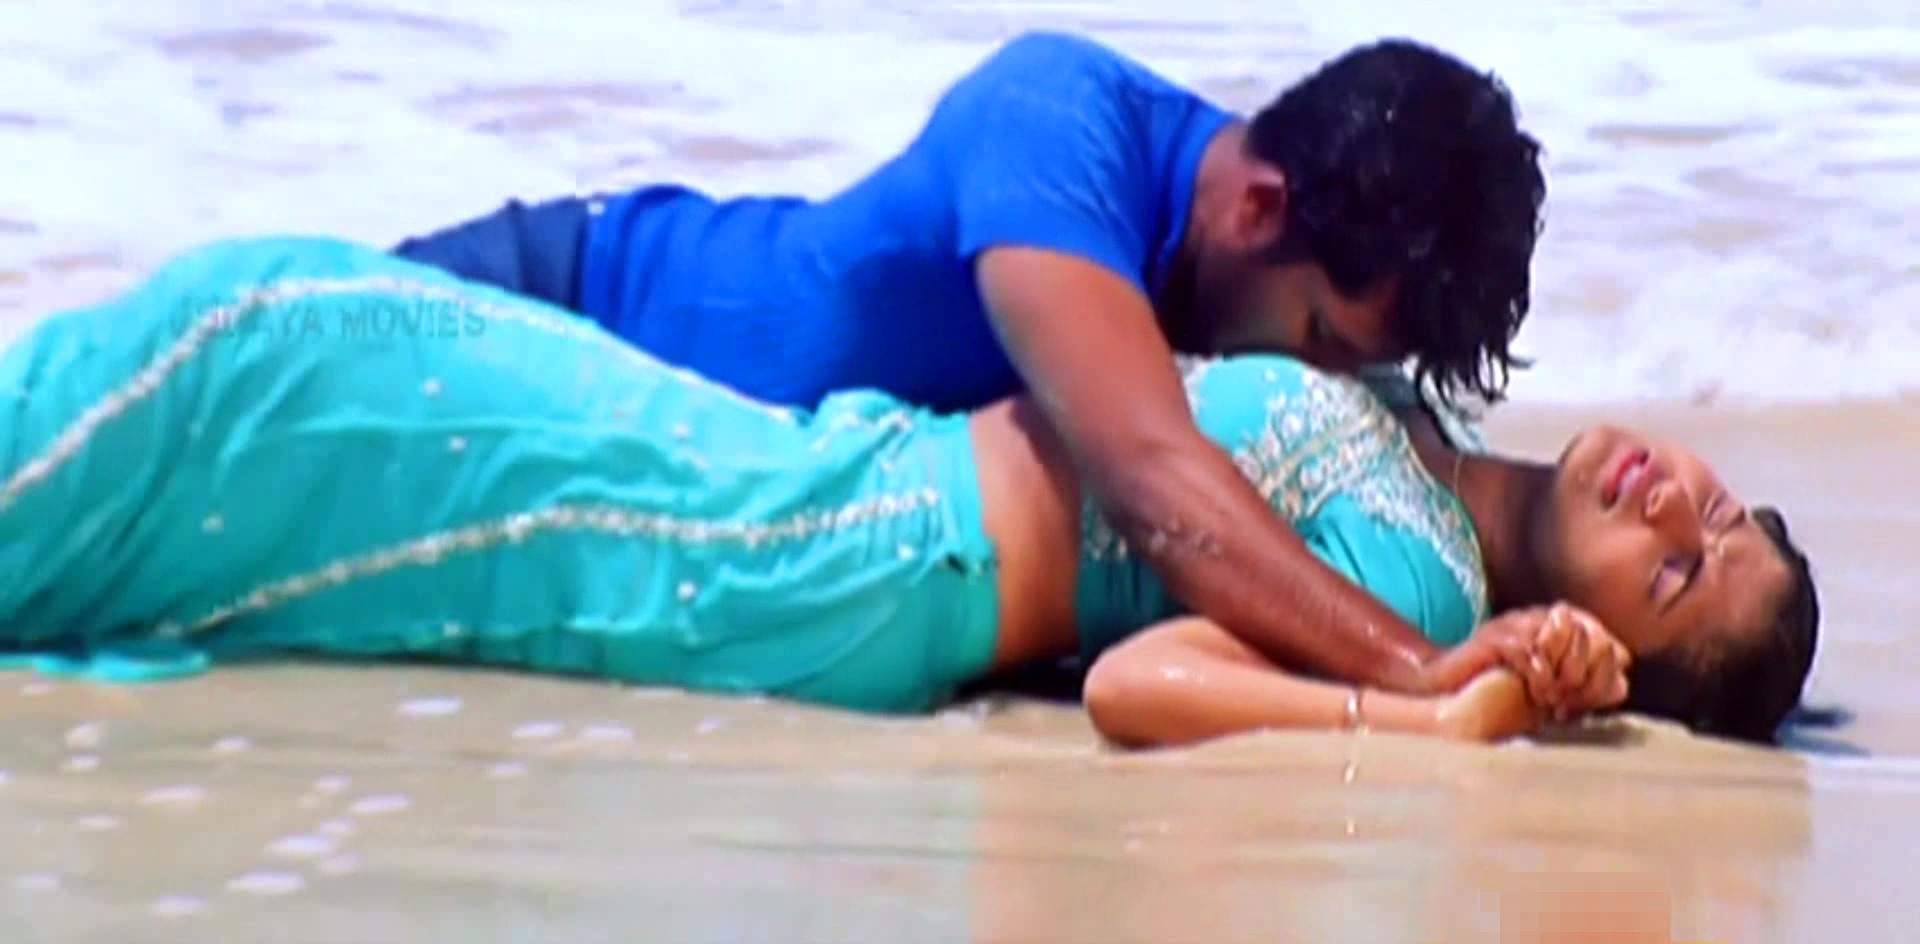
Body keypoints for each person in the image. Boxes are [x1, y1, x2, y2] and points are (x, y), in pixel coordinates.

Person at [0, 238, 1814, 744]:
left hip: (849, 558)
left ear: (1611, 650)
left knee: (274, 367)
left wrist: (1436, 705)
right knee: (292, 346)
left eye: (1677, 577)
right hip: (843, 471)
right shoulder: (1402, 404)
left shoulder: (1415, 595)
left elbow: (1139, 685)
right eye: (1719, 516)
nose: (1676, 507)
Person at [391, 33, 1556, 705]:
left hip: (656, 473)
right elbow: (1153, 482)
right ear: (1259, 208)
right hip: (547, 306)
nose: (1325, 381)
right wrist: (1419, 667)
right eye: (1321, 339)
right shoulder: (1057, 125)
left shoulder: (1256, 247)